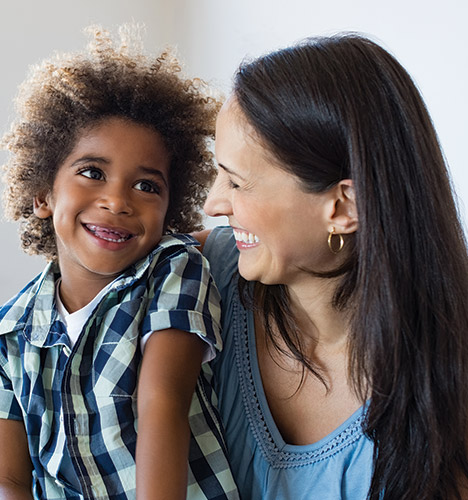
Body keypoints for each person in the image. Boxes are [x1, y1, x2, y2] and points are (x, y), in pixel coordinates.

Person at [0, 26, 238, 500]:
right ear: (43, 195)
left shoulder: (174, 270)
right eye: (92, 173)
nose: (116, 201)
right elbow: (6, 481)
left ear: (171, 209)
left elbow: (163, 405)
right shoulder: (1, 338)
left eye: (147, 185)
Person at [196, 33, 468, 499]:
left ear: (344, 206)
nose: (213, 203)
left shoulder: (450, 392)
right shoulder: (203, 278)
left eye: (237, 183)